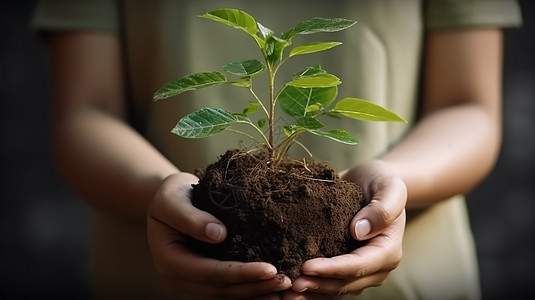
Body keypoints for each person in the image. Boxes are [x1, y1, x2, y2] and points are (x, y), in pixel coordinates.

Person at [32, 0, 521, 299]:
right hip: (157, 278)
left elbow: (469, 106)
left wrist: (394, 177)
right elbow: (84, 112)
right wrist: (159, 191)